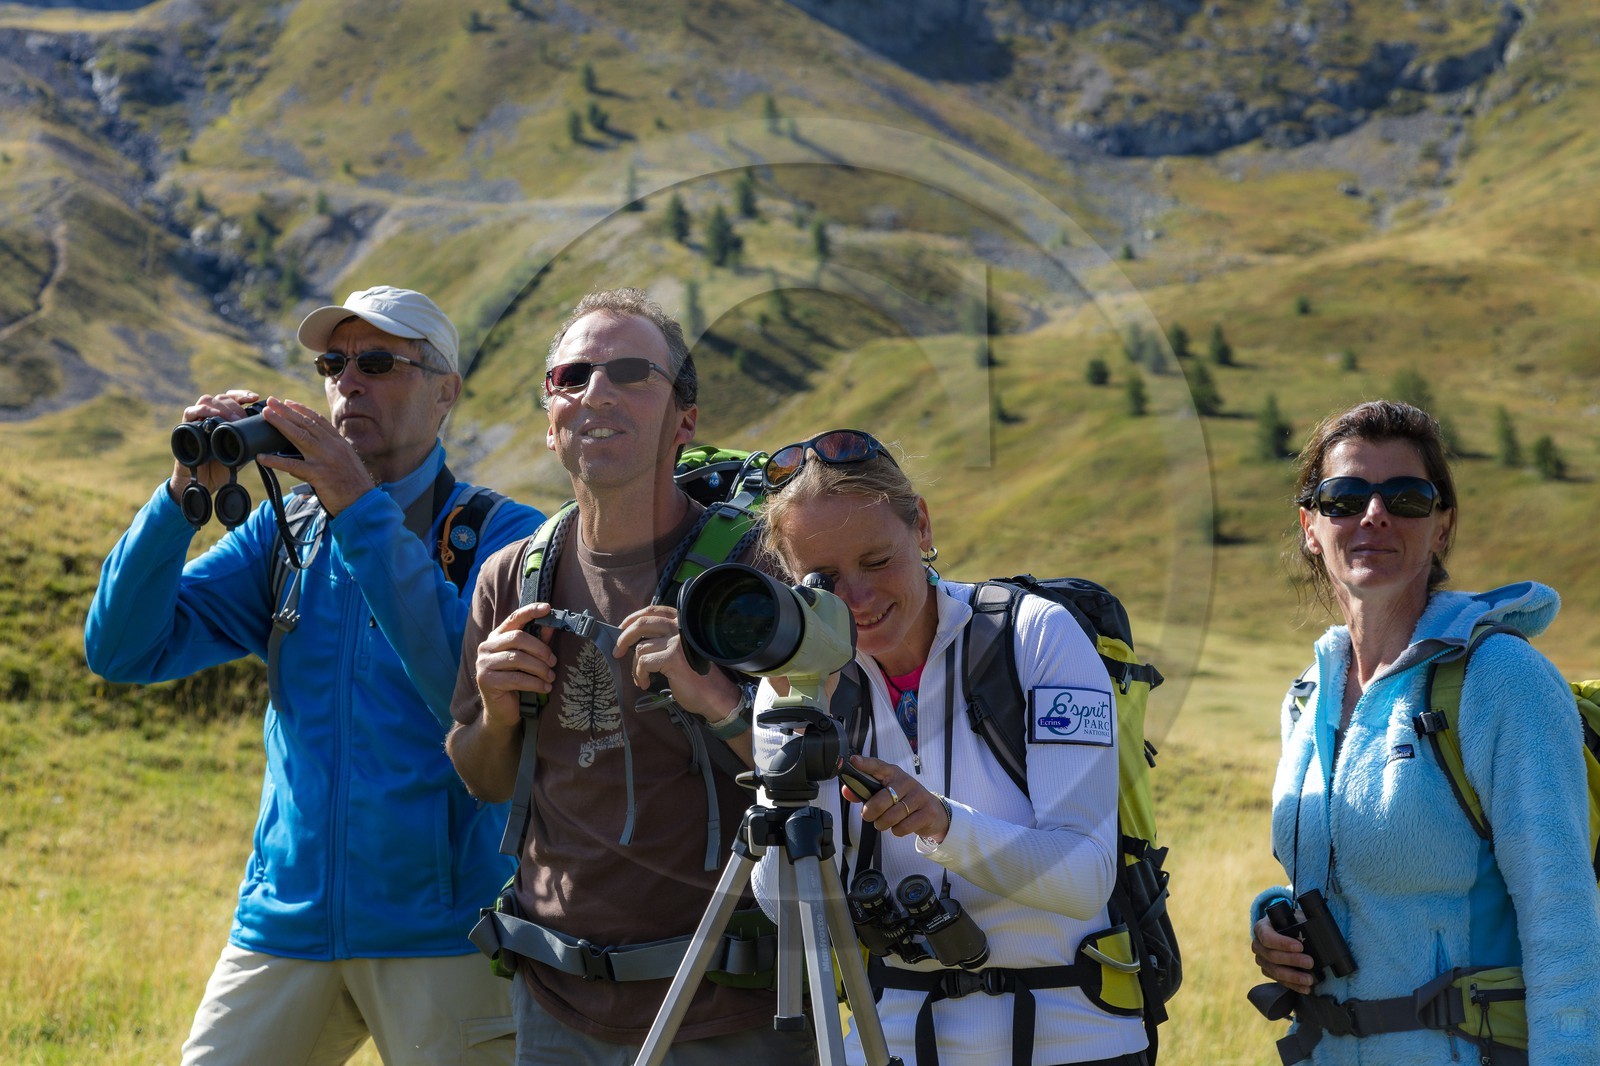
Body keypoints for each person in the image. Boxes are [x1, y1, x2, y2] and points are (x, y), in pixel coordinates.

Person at [85, 285, 545, 1065]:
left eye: (377, 362)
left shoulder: (504, 538)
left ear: (446, 392)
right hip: (287, 922)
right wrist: (179, 500)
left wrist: (359, 507)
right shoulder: (286, 531)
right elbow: (125, 649)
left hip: (445, 932)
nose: (347, 382)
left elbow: (462, 697)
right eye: (333, 363)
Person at [446, 288, 815, 1065]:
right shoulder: (512, 577)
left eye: (629, 373)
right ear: (549, 422)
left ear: (685, 421)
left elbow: (825, 775)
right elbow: (481, 777)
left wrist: (715, 701)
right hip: (555, 1004)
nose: (594, 393)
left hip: (727, 1012)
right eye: (570, 377)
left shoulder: (760, 571)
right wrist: (495, 710)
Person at [751, 429, 1150, 1066]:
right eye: (822, 580)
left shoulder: (1033, 635)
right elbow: (792, 913)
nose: (857, 600)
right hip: (891, 1043)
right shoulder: (795, 681)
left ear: (923, 527)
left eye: (878, 562)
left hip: (1070, 1037)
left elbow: (1085, 878)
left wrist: (944, 825)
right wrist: (804, 717)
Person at [1248, 399, 1600, 1064]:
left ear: (1441, 528)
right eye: (1345, 496)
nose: (1373, 514)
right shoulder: (1307, 697)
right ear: (1310, 526)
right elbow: (1344, 878)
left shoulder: (1502, 680)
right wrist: (1275, 923)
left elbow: (1565, 929)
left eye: (1406, 497)